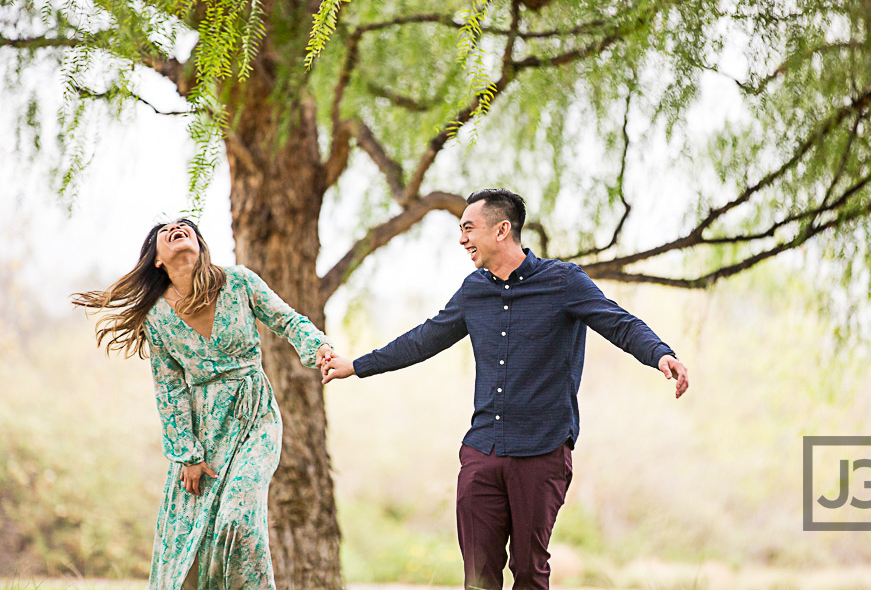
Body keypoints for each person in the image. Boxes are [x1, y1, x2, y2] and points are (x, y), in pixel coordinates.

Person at [321, 188, 689, 590]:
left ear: (502, 230)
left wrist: (660, 354)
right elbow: (425, 338)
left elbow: (619, 322)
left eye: (468, 228)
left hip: (541, 451)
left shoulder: (564, 282)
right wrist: (356, 366)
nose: (462, 238)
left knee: (530, 571)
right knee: (478, 575)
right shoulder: (474, 290)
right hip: (482, 451)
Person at [73, 218, 333, 590]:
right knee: (191, 541)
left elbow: (287, 321)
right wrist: (188, 454)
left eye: (185, 226)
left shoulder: (239, 282)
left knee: (238, 519)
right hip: (203, 435)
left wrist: (319, 348)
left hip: (254, 418)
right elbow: (170, 389)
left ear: (200, 244)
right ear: (157, 259)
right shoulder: (157, 317)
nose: (177, 228)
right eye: (166, 230)